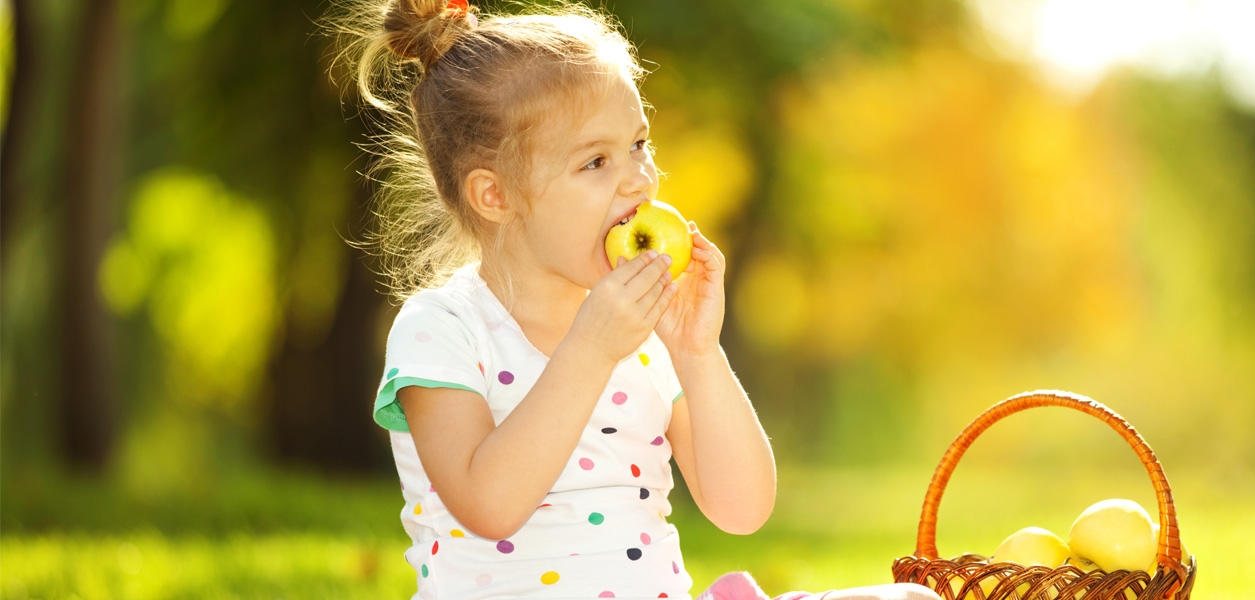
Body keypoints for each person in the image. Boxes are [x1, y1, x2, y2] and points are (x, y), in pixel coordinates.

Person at [335, 1, 943, 598]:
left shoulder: (642, 333)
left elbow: (743, 509)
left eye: (639, 145)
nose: (639, 179)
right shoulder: (442, 329)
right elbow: (490, 506)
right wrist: (590, 350)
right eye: (596, 161)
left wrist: (698, 352)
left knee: (909, 599)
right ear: (495, 197)